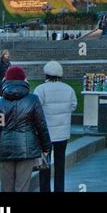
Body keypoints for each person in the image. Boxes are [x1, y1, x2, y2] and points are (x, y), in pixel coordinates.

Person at [0, 65, 51, 192]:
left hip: (5, 147)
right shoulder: (33, 99)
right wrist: (46, 147)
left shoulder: (0, 102)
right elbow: (41, 125)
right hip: (26, 148)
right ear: (24, 80)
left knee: (6, 186)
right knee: (22, 186)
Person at [35, 61, 77, 193]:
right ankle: (60, 189)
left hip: (45, 134)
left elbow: (36, 109)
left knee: (44, 165)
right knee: (60, 164)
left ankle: (45, 189)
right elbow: (73, 106)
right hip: (62, 133)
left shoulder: (40, 89)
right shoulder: (69, 89)